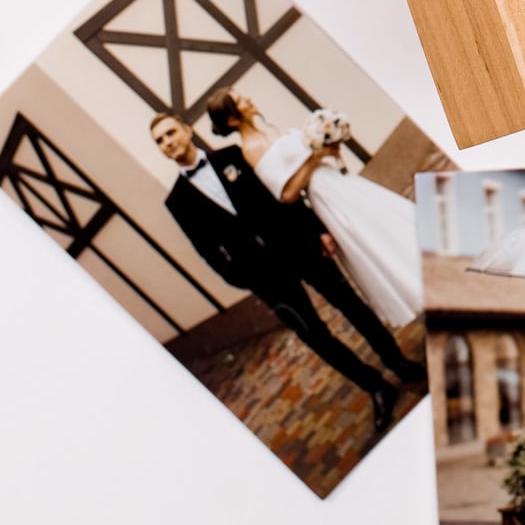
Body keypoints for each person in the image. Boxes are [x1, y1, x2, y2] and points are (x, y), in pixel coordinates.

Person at [149, 111, 422, 433]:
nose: (168, 143)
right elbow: (208, 252)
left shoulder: (233, 156)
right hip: (267, 279)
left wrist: (317, 229)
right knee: (316, 336)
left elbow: (280, 197)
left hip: (299, 245)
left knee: (352, 306)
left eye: (170, 133)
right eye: (160, 141)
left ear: (186, 130)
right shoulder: (177, 202)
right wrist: (244, 278)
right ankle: (376, 387)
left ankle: (397, 362)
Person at [207, 88, 423, 327]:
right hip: (323, 194)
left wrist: (328, 144)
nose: (249, 98)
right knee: (373, 238)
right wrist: (315, 157)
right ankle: (414, 285)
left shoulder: (269, 130)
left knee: (387, 222)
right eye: (240, 100)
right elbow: (287, 193)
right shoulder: (251, 148)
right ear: (232, 119)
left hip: (338, 182)